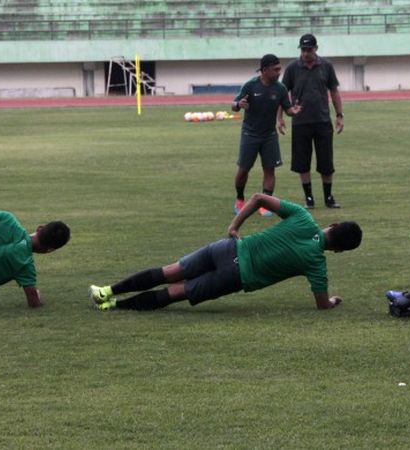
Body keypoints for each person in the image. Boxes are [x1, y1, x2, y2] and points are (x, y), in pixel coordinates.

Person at [89, 193, 362, 311]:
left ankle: (107, 291)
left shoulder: (303, 217)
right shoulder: (317, 264)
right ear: (338, 250)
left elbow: (257, 197)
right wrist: (332, 302)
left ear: (333, 224)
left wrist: (234, 225)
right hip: (236, 276)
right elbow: (322, 304)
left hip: (228, 247)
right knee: (177, 291)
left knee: (168, 272)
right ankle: (114, 306)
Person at [278, 33, 345, 209]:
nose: (306, 53)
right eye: (303, 50)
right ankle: (309, 198)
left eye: (309, 49)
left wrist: (339, 115)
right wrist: (280, 117)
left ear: (316, 49)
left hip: (323, 120)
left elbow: (334, 91)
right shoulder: (292, 68)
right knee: (302, 161)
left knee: (326, 161)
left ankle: (328, 197)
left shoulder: (326, 66)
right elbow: (283, 94)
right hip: (300, 121)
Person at [231, 54, 302, 217]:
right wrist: (238, 104)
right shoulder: (250, 86)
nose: (279, 72)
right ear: (264, 70)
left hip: (269, 135)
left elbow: (288, 109)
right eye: (275, 69)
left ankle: (266, 203)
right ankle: (240, 198)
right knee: (243, 170)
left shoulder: (280, 88)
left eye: (280, 69)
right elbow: (234, 105)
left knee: (269, 170)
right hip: (250, 134)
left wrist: (294, 112)